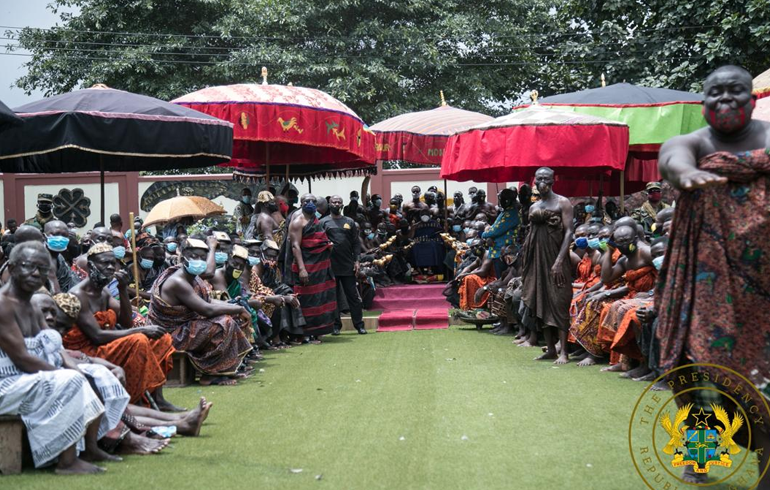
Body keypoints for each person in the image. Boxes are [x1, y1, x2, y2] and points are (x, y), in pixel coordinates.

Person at [656, 65, 770, 486]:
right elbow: (673, 157)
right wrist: (685, 174)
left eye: (735, 91)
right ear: (702, 103)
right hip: (705, 285)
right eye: (715, 93)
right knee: (698, 370)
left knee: (764, 383)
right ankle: (701, 455)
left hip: (763, 284)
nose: (725, 99)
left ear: (753, 99)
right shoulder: (695, 142)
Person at [0, 241, 106, 474]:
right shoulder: (3, 305)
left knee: (95, 374)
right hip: (6, 384)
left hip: (26, 377)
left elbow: (54, 349)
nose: (36, 273)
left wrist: (77, 366)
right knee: (70, 381)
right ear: (12, 267)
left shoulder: (29, 304)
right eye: (29, 267)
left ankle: (91, 447)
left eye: (43, 269)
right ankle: (66, 461)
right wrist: (65, 372)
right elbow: (22, 359)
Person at [65, 242, 177, 408]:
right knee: (138, 340)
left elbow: (126, 322)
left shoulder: (104, 292)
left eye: (113, 263)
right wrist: (142, 329)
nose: (110, 267)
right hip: (85, 351)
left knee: (161, 338)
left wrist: (123, 289)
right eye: (104, 263)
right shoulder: (78, 294)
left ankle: (157, 398)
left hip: (104, 344)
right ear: (90, 266)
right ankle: (134, 399)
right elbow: (96, 336)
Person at [148, 238, 253, 386]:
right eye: (195, 256)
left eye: (203, 257)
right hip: (171, 334)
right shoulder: (178, 281)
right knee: (224, 323)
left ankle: (226, 370)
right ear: (184, 257)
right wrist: (238, 309)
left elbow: (208, 300)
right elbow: (206, 309)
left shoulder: (193, 277)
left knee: (230, 315)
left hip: (184, 327)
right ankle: (210, 374)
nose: (200, 261)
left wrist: (232, 305)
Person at [520, 167, 574, 364]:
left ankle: (564, 352)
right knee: (539, 300)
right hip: (537, 260)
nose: (541, 182)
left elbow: (569, 233)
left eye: (546, 178)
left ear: (553, 180)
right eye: (538, 178)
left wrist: (559, 261)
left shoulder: (563, 202)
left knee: (559, 302)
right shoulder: (535, 207)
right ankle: (550, 349)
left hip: (557, 259)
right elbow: (530, 236)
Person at [287, 194, 337, 342]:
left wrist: (328, 246)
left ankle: (319, 330)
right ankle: (305, 333)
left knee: (321, 298)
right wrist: (302, 269)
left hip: (321, 266)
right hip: (306, 266)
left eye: (313, 201)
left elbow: (320, 239)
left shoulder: (317, 221)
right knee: (306, 298)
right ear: (301, 204)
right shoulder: (297, 222)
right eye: (306, 201)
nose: (310, 203)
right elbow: (295, 246)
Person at [322, 195, 366, 335]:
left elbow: (356, 243)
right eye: (334, 202)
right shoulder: (323, 222)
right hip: (330, 266)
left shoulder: (349, 222)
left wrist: (357, 261)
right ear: (329, 204)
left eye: (339, 202)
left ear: (342, 205)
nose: (336, 204)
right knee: (333, 297)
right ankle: (336, 326)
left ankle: (359, 325)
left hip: (348, 265)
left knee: (353, 296)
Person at [482, 188, 520, 278]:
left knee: (503, 279)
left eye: (501, 199)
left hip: (504, 251)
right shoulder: (505, 212)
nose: (499, 201)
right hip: (498, 251)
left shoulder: (511, 214)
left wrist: (484, 234)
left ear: (507, 200)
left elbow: (495, 230)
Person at [44, 219, 77, 293]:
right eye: (56, 234)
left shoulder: (59, 257)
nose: (60, 238)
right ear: (44, 236)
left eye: (64, 235)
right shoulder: (42, 259)